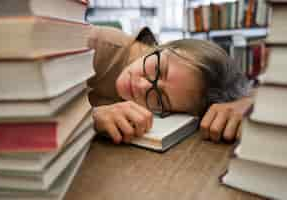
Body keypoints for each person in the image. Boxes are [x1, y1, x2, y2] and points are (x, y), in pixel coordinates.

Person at [86, 25, 253, 145]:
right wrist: (88, 118)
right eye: (159, 69)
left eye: (160, 100)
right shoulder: (95, 45)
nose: (143, 85)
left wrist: (247, 102)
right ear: (164, 46)